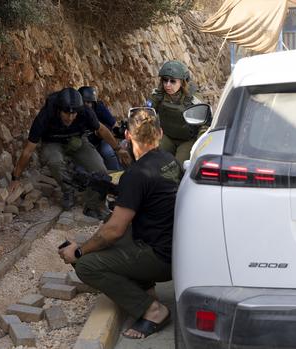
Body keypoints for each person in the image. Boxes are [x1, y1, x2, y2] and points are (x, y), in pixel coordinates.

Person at [59, 107, 181, 339]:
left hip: (160, 259)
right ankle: (147, 289)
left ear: (127, 136)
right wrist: (114, 188)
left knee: (87, 264)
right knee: (110, 227)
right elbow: (153, 197)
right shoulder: (169, 160)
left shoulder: (136, 175)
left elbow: (113, 232)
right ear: (161, 133)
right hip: (177, 251)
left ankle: (153, 310)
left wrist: (80, 250)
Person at [10, 87, 130, 219]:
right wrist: (16, 178)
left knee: (100, 170)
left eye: (74, 114)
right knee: (54, 160)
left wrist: (118, 149)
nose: (70, 117)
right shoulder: (45, 115)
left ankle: (94, 205)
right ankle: (68, 190)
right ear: (59, 109)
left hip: (77, 140)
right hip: (53, 142)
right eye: (66, 113)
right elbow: (28, 150)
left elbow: (102, 130)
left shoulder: (85, 111)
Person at [148, 60, 205, 166]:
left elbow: (204, 124)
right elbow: (146, 113)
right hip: (167, 136)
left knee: (179, 166)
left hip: (187, 140)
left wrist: (200, 145)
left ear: (183, 82)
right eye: (165, 80)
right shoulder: (158, 95)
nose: (167, 85)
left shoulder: (194, 99)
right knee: (153, 159)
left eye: (173, 81)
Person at [78, 86, 123, 170]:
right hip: (84, 143)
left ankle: (116, 174)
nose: (88, 105)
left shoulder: (99, 108)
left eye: (90, 102)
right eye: (85, 102)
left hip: (101, 140)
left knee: (107, 152)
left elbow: (114, 125)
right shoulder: (74, 113)